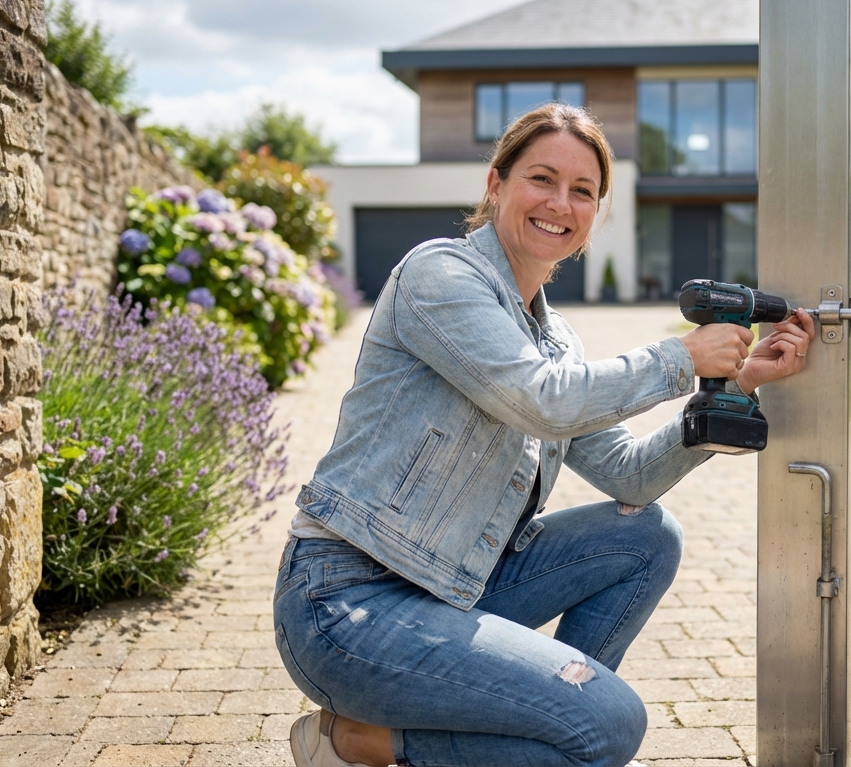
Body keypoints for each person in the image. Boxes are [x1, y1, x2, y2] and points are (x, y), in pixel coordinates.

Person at [274, 103, 815, 767]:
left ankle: (535, 729)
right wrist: (681, 358)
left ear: (594, 216)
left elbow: (628, 475)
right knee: (609, 725)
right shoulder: (439, 276)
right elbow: (539, 401)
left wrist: (739, 384)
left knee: (647, 535)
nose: (561, 202)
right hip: (349, 603)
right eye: (542, 179)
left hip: (455, 587)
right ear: (495, 185)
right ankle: (373, 740)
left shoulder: (558, 339)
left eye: (582, 191)